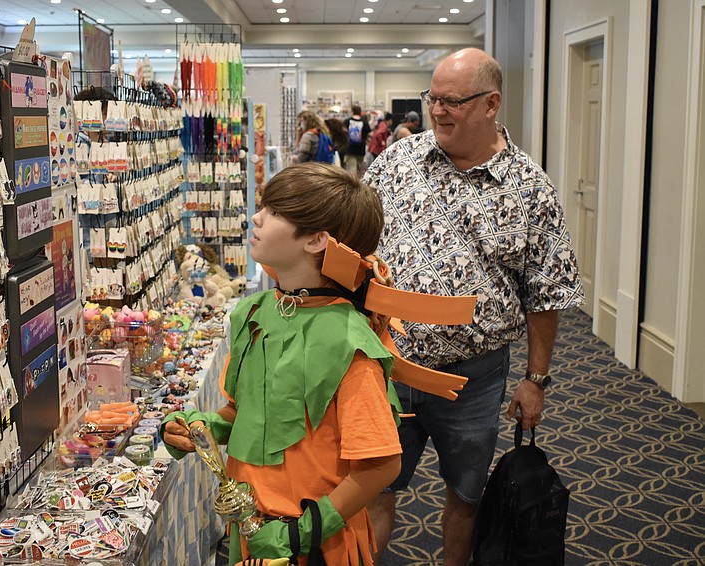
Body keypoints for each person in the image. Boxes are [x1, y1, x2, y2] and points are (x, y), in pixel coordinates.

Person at [363, 48, 584, 566]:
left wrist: (537, 379)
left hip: (474, 379)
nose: (437, 110)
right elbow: (358, 239)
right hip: (386, 365)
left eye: (452, 101)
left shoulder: (530, 189)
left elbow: (545, 293)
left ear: (492, 104)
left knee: (465, 497)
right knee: (374, 491)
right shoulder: (397, 162)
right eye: (432, 97)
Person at [162, 162, 403, 565]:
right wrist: (203, 428)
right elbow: (248, 413)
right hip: (251, 532)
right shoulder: (256, 313)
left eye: (274, 211)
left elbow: (380, 464)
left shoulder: (349, 343)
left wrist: (302, 532)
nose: (257, 217)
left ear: (315, 240)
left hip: (315, 545)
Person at [343, 105, 371, 177]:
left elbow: (343, 133)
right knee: (360, 171)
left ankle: (352, 186)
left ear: (352, 112)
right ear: (360, 112)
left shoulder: (347, 121)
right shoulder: (364, 122)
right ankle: (359, 185)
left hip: (350, 149)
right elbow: (369, 134)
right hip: (361, 149)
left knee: (351, 171)